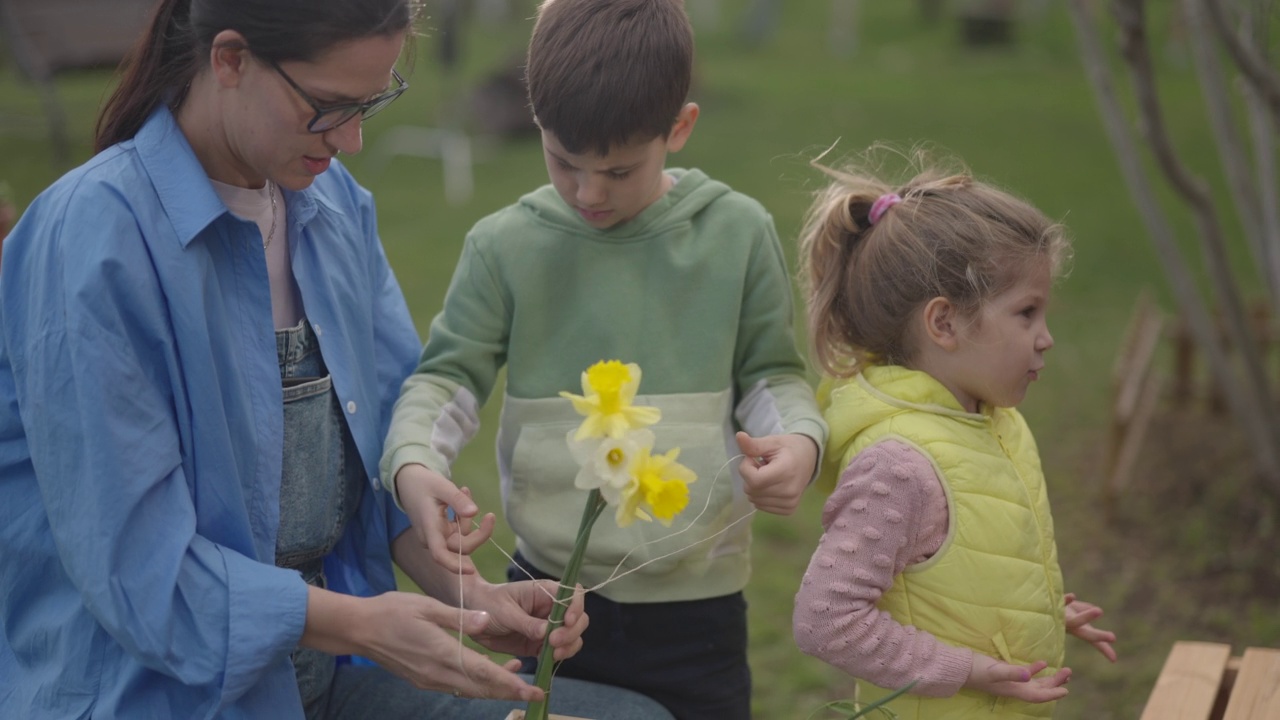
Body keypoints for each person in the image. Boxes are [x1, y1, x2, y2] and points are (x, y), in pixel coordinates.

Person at [0, 0, 675, 718]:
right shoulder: (93, 239)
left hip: (316, 683)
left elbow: (379, 456)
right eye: (326, 107)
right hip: (155, 698)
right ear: (229, 59)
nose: (350, 139)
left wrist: (469, 600)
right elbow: (143, 577)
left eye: (371, 102)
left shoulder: (331, 206)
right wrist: (364, 625)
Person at [380, 0, 827, 717]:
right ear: (536, 120)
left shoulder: (738, 234)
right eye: (564, 162)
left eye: (618, 171)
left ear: (679, 128)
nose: (589, 192)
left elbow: (773, 375)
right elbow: (447, 378)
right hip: (549, 606)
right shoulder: (503, 247)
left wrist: (799, 442)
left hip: (698, 612)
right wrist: (415, 463)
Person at [791, 149, 1118, 719]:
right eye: (1026, 313)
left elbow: (949, 568)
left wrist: (1032, 611)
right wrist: (967, 669)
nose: (1047, 339)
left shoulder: (992, 423)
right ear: (944, 323)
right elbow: (826, 620)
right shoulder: (899, 465)